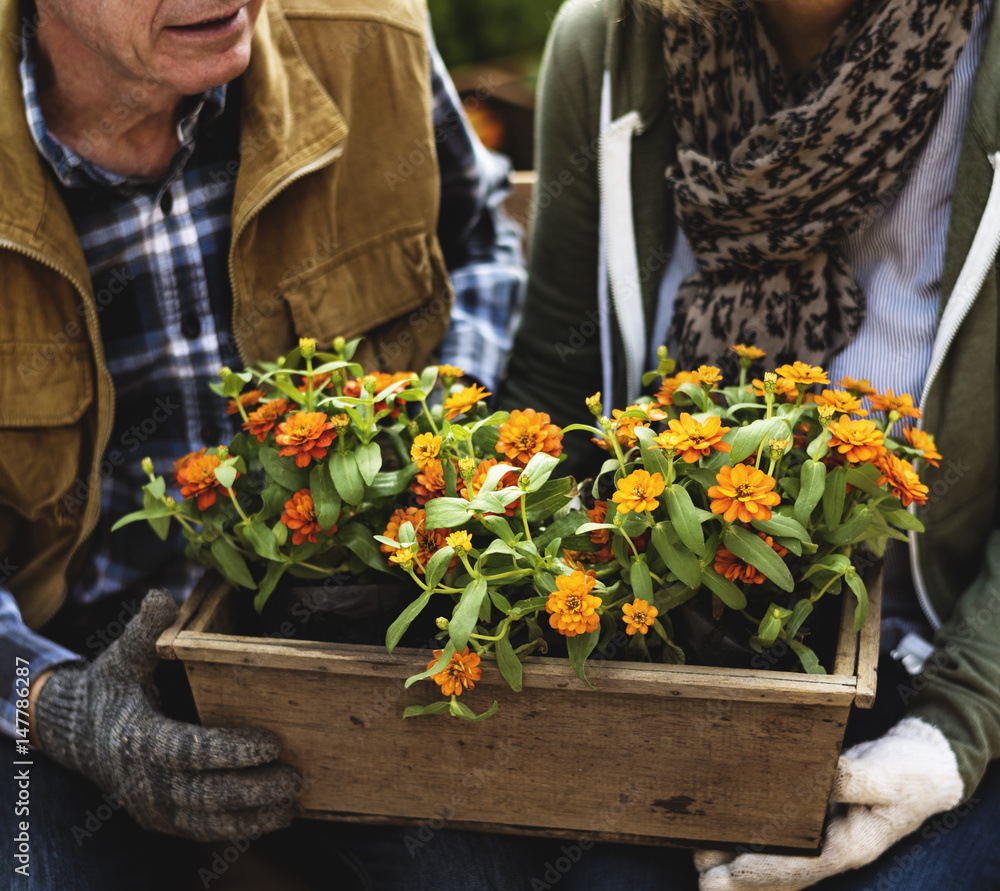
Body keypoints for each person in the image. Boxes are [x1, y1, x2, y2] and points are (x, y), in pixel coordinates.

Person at [0, 0, 524, 886]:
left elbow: (478, 243)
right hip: (61, 654)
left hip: (358, 624)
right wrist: (57, 709)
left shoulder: (371, 33)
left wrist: (432, 429)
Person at [501, 0, 1000, 888]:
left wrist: (950, 729)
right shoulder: (611, 43)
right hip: (661, 649)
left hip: (947, 656)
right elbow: (553, 383)